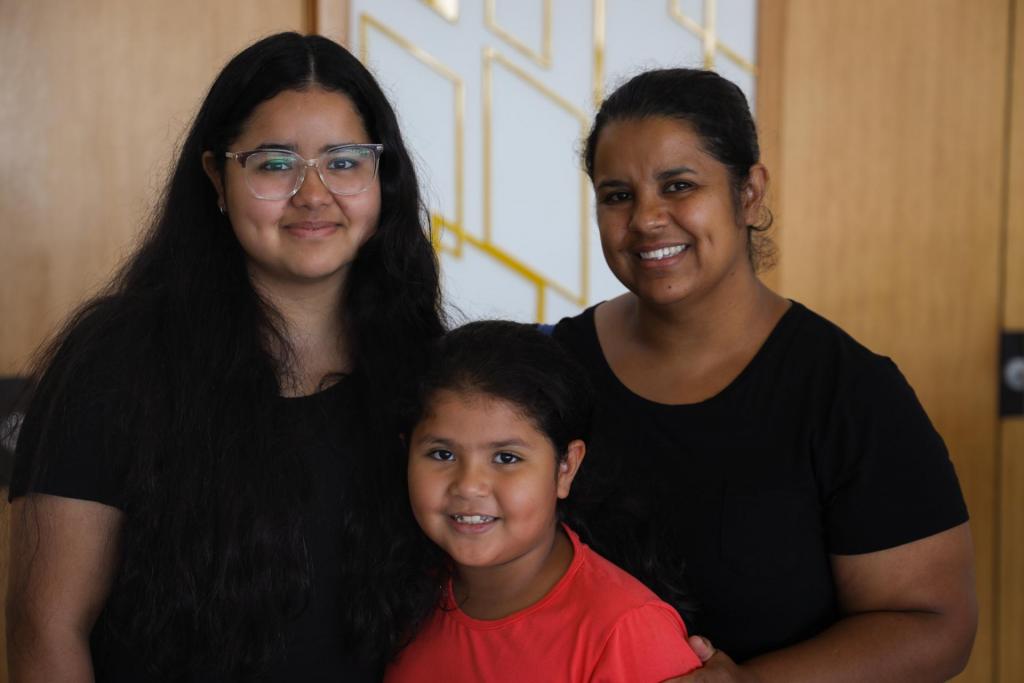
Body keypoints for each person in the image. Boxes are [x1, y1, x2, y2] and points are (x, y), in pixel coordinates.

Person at [6, 32, 443, 681]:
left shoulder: (429, 370)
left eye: (345, 161)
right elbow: (46, 628)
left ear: (382, 177)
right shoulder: (114, 365)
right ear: (217, 177)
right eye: (274, 164)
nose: (313, 193)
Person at [551, 68, 978, 682]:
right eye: (617, 195)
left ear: (749, 194)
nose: (646, 219)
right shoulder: (554, 370)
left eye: (679, 185)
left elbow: (936, 625)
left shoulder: (850, 392)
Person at [384, 321, 702, 682]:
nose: (469, 486)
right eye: (442, 454)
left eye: (506, 458)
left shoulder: (626, 634)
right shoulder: (397, 592)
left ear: (566, 467)